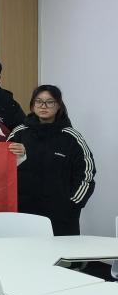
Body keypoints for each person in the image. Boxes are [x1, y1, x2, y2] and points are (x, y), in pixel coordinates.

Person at [9, 85, 95, 236]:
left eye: (50, 102)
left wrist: (72, 204)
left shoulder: (71, 137)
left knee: (62, 251)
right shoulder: (19, 133)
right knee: (25, 250)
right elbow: (2, 169)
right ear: (32, 105)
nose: (43, 106)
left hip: (62, 218)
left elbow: (86, 175)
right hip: (23, 214)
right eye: (39, 101)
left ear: (58, 105)